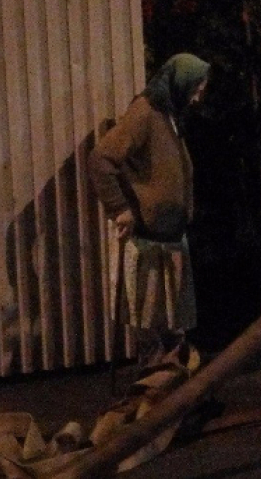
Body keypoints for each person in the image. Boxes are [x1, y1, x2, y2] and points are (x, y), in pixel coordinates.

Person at [88, 52, 210, 373]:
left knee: (173, 325)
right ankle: (150, 399)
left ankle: (171, 392)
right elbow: (101, 159)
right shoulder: (144, 113)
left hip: (170, 239)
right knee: (151, 323)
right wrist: (120, 209)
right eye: (197, 87)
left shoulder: (169, 114)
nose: (199, 96)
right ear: (180, 82)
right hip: (149, 241)